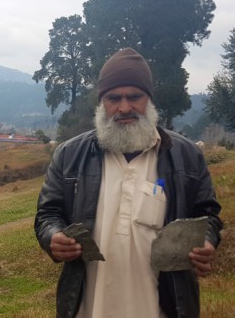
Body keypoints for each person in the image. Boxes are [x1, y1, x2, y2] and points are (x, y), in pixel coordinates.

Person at [34, 48, 223, 318]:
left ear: (149, 100)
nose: (124, 108)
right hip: (88, 308)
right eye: (114, 98)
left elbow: (208, 214)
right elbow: (48, 214)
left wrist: (207, 240)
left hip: (161, 307)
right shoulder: (70, 155)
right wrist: (53, 236)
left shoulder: (186, 155)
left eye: (135, 97)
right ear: (102, 103)